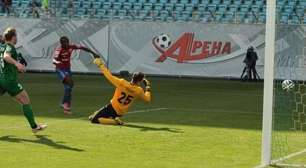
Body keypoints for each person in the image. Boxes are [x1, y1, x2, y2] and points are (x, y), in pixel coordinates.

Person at [0, 27, 47, 133]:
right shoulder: (9, 47)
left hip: (1, 78)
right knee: (26, 101)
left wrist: (15, 67)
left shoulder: (2, 47)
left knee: (23, 101)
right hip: (9, 81)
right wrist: (17, 64)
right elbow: (6, 57)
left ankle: (34, 126)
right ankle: (34, 127)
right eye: (16, 36)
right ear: (13, 37)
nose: (17, 38)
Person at [89, 58, 152, 125]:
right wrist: (148, 88)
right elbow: (148, 99)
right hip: (120, 113)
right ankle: (114, 118)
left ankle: (116, 121)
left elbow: (109, 75)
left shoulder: (122, 83)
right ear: (139, 81)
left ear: (132, 77)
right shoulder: (139, 90)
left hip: (112, 107)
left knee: (94, 119)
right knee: (92, 116)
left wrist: (100, 65)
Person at [53, 36, 99, 115]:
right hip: (60, 70)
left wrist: (93, 53)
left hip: (67, 70)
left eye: (67, 42)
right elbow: (54, 60)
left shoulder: (71, 46)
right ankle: (64, 104)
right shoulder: (58, 50)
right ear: (61, 43)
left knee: (69, 87)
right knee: (69, 85)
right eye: (64, 43)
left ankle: (66, 107)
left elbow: (83, 48)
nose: (66, 44)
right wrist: (58, 63)